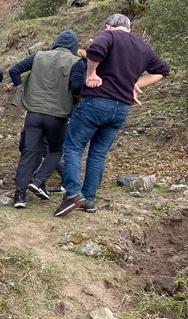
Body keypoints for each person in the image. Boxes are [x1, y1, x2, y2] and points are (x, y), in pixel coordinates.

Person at [54, 14, 170, 217]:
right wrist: (136, 84)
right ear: (129, 28)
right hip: (122, 108)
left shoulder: (110, 35)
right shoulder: (143, 47)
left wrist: (91, 74)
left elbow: (95, 50)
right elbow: (162, 70)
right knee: (98, 153)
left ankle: (73, 194)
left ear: (109, 26)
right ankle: (89, 200)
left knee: (73, 147)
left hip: (97, 102)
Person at [8, 30, 86, 208]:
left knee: (29, 153)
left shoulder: (39, 56)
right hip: (57, 117)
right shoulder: (76, 61)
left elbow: (14, 69)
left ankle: (19, 197)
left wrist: (20, 87)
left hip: (33, 113)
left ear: (56, 42)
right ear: (74, 47)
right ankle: (38, 181)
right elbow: (76, 89)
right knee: (56, 150)